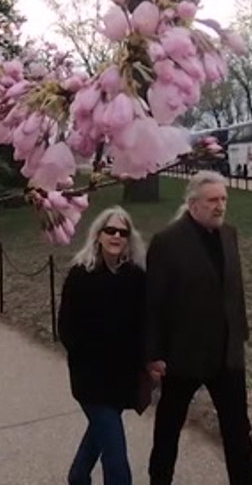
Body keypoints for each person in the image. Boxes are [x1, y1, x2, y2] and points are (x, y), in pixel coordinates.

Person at [145, 170, 252, 485]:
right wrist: (153, 354)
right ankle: (160, 480)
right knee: (168, 428)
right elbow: (154, 302)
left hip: (227, 356)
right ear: (194, 204)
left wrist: (240, 333)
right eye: (212, 200)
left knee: (238, 430)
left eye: (223, 199)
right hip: (183, 356)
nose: (220, 206)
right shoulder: (167, 242)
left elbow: (232, 290)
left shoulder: (229, 235)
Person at [57, 206, 149, 485]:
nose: (116, 236)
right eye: (110, 230)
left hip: (122, 377)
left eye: (123, 232)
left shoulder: (135, 276)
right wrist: (83, 354)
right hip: (91, 378)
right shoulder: (81, 274)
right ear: (98, 235)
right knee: (115, 453)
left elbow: (143, 322)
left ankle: (78, 476)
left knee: (101, 432)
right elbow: (66, 325)